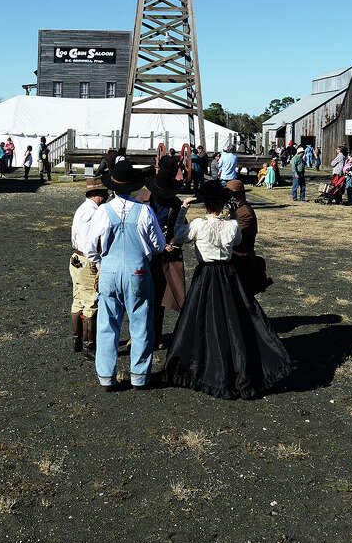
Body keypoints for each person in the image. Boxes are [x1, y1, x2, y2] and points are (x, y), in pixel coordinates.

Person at [162, 183, 292, 399]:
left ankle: (206, 364)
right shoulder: (232, 226)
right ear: (223, 204)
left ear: (205, 205)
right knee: (235, 320)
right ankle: (236, 362)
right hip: (228, 275)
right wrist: (230, 214)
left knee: (201, 320)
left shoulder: (198, 225)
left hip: (206, 275)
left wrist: (183, 208)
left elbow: (178, 235)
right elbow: (238, 240)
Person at [82, 160, 167, 390]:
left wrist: (100, 263)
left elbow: (89, 246)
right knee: (140, 323)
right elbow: (159, 245)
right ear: (134, 186)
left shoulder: (102, 211)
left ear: (112, 187)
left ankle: (106, 376)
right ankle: (139, 376)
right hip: (138, 270)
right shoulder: (145, 211)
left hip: (109, 270)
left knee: (107, 324)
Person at [143, 158, 188, 350]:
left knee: (160, 296)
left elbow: (182, 230)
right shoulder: (142, 200)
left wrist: (173, 243)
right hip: (144, 256)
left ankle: (156, 334)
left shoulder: (176, 204)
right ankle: (141, 335)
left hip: (164, 257)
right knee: (141, 297)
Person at [69, 178, 107, 358]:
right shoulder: (92, 213)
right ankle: (89, 345)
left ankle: (77, 339)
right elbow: (89, 244)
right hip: (86, 260)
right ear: (98, 195)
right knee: (91, 303)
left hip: (76, 258)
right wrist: (98, 263)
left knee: (78, 300)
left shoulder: (83, 209)